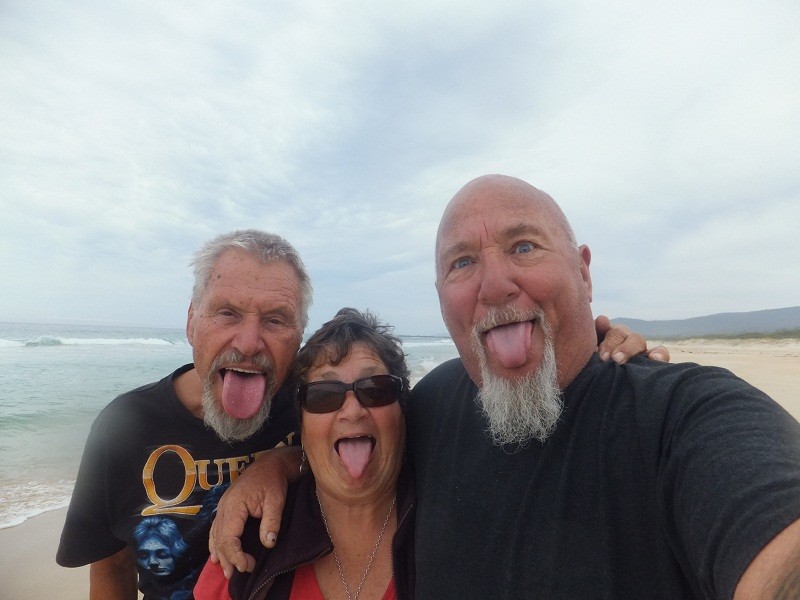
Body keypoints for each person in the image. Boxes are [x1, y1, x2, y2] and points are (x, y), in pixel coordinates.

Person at [212, 176, 800, 599]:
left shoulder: (687, 417)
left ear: (583, 271)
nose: (495, 286)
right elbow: (355, 433)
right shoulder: (437, 404)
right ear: (441, 297)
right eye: (463, 262)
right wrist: (280, 464)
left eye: (523, 246)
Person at [57, 229, 312, 600]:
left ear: (300, 335)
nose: (248, 343)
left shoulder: (316, 405)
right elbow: (113, 567)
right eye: (227, 313)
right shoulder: (123, 426)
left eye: (275, 320)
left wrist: (281, 463)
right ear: (192, 321)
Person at [194, 307, 415, 599]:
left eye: (376, 389)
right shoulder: (244, 544)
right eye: (324, 394)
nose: (352, 411)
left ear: (403, 412)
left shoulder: (447, 522)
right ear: (302, 426)